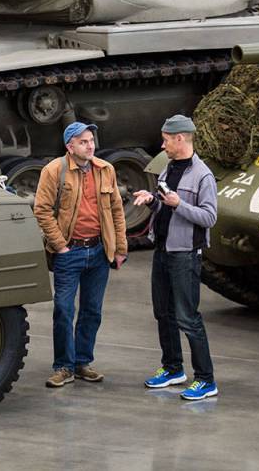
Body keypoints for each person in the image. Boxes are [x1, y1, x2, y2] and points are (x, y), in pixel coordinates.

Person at [34, 122, 128, 388]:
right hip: (70, 252)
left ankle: (82, 362)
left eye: (91, 140)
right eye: (84, 142)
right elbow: (41, 210)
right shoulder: (54, 171)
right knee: (63, 309)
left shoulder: (105, 170)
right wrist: (60, 245)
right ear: (70, 146)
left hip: (99, 251)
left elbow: (117, 211)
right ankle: (64, 366)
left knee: (92, 310)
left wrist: (120, 249)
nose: (90, 145)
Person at [133, 115, 219, 401]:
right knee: (163, 313)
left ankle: (206, 380)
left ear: (180, 138)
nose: (163, 144)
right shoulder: (169, 168)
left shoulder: (202, 175)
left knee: (188, 317)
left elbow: (209, 216)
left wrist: (179, 204)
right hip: (163, 252)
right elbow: (166, 204)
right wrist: (153, 200)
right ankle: (173, 369)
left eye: (166, 139)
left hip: (184, 256)